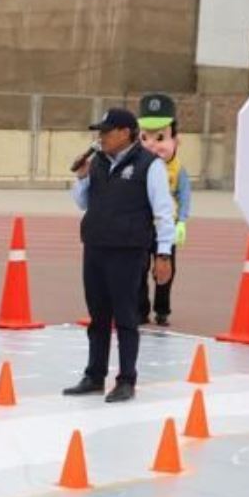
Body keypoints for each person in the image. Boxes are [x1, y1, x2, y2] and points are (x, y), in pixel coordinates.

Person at [63, 109, 174, 403]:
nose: (101, 137)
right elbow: (82, 203)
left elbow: (163, 212)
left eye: (107, 131)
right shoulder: (98, 162)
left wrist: (164, 254)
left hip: (128, 251)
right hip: (96, 248)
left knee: (125, 316)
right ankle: (94, 375)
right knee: (98, 317)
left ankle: (126, 380)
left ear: (125, 132)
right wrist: (82, 178)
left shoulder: (149, 165)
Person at [136, 94, 190, 326]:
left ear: (176, 139)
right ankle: (140, 309)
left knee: (165, 270)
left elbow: (184, 197)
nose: (152, 145)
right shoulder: (137, 166)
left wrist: (182, 222)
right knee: (138, 268)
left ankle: (162, 309)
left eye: (160, 137)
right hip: (140, 226)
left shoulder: (178, 170)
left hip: (164, 228)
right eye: (145, 138)